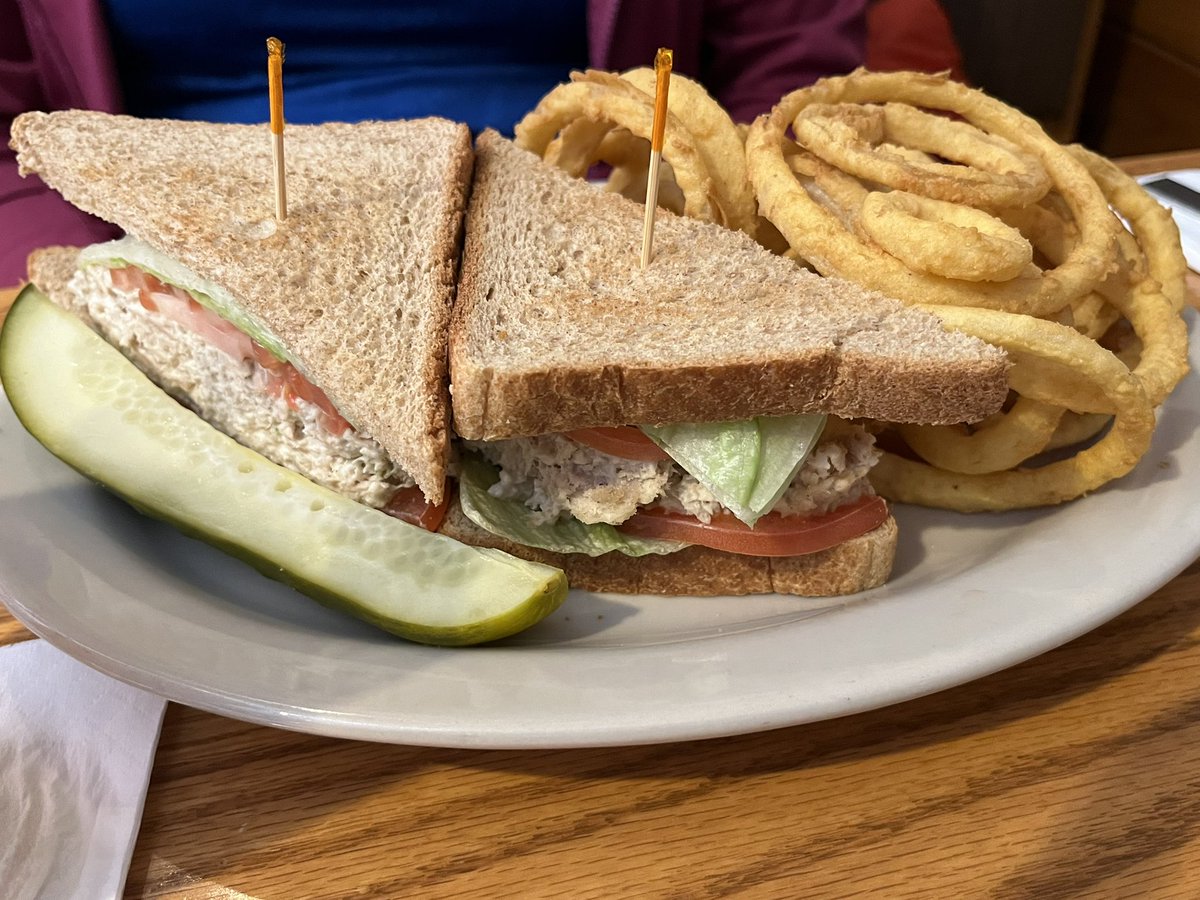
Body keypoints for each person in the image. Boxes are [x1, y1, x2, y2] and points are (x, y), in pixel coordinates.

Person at [1, 0, 869, 286]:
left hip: (617, 239)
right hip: (170, 244)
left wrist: (737, 254)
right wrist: (102, 288)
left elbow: (786, 74)